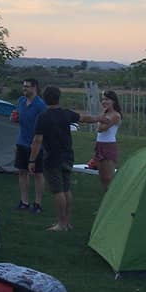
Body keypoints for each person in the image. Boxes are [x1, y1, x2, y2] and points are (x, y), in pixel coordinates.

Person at [29, 86, 99, 232]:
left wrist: (32, 160)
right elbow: (84, 118)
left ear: (44, 99)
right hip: (68, 156)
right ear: (58, 98)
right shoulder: (66, 114)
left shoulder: (43, 117)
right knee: (66, 189)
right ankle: (67, 222)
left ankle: (61, 224)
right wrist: (100, 118)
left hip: (52, 158)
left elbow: (37, 140)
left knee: (58, 191)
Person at [14, 78, 47, 213]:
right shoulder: (21, 101)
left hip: (36, 144)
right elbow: (19, 117)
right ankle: (24, 201)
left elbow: (44, 126)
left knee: (38, 173)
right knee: (22, 172)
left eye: (27, 86)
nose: (24, 89)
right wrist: (14, 119)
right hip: (22, 142)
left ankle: (38, 204)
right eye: (24, 86)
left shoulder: (40, 105)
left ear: (34, 88)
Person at [91, 91, 122, 192]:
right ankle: (106, 198)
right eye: (103, 99)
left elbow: (101, 129)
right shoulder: (105, 114)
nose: (104, 102)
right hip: (99, 145)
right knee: (102, 177)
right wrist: (103, 114)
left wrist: (101, 115)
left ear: (113, 101)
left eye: (107, 99)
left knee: (109, 177)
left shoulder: (116, 115)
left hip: (109, 146)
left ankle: (113, 196)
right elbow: (100, 127)